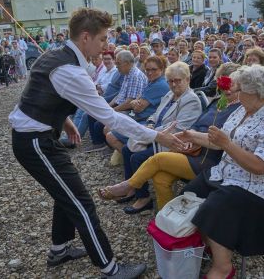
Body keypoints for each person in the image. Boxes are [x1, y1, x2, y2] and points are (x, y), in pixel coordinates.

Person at [8, 8, 182, 279]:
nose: (106, 45)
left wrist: (64, 120)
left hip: (37, 137)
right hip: (35, 143)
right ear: (86, 37)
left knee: (65, 193)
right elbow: (111, 118)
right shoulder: (70, 70)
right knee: (81, 202)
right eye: (102, 39)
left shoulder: (55, 55)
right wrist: (158, 135)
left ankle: (59, 249)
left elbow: (38, 94)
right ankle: (110, 269)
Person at [182, 65, 264, 278]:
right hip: (231, 173)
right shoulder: (244, 108)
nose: (233, 93)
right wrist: (191, 135)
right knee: (190, 194)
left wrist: (227, 144)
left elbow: (260, 167)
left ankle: (223, 267)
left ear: (256, 93)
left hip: (262, 187)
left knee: (215, 207)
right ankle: (213, 244)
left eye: (239, 90)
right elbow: (218, 142)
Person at [98, 63, 241, 210]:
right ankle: (165, 216)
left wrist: (188, 136)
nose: (225, 89)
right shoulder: (218, 102)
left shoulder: (238, 109)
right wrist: (151, 126)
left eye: (229, 84)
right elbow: (193, 124)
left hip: (207, 158)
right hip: (189, 147)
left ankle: (129, 186)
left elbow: (217, 140)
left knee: (151, 158)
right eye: (221, 84)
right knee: (160, 177)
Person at [116, 61, 202, 214]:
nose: (173, 84)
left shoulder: (191, 100)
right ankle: (133, 190)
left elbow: (180, 128)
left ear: (187, 79)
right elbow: (156, 114)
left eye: (178, 80)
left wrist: (150, 132)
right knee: (126, 150)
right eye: (170, 81)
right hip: (158, 135)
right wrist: (149, 124)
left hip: (174, 142)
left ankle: (144, 199)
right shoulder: (170, 94)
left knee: (137, 157)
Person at [106, 56, 170, 164]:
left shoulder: (159, 85)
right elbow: (135, 102)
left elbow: (138, 107)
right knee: (109, 125)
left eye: (153, 69)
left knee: (110, 134)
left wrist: (135, 102)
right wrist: (135, 102)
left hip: (146, 121)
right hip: (138, 117)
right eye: (147, 69)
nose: (149, 72)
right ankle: (129, 157)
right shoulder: (152, 82)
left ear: (162, 69)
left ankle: (134, 160)